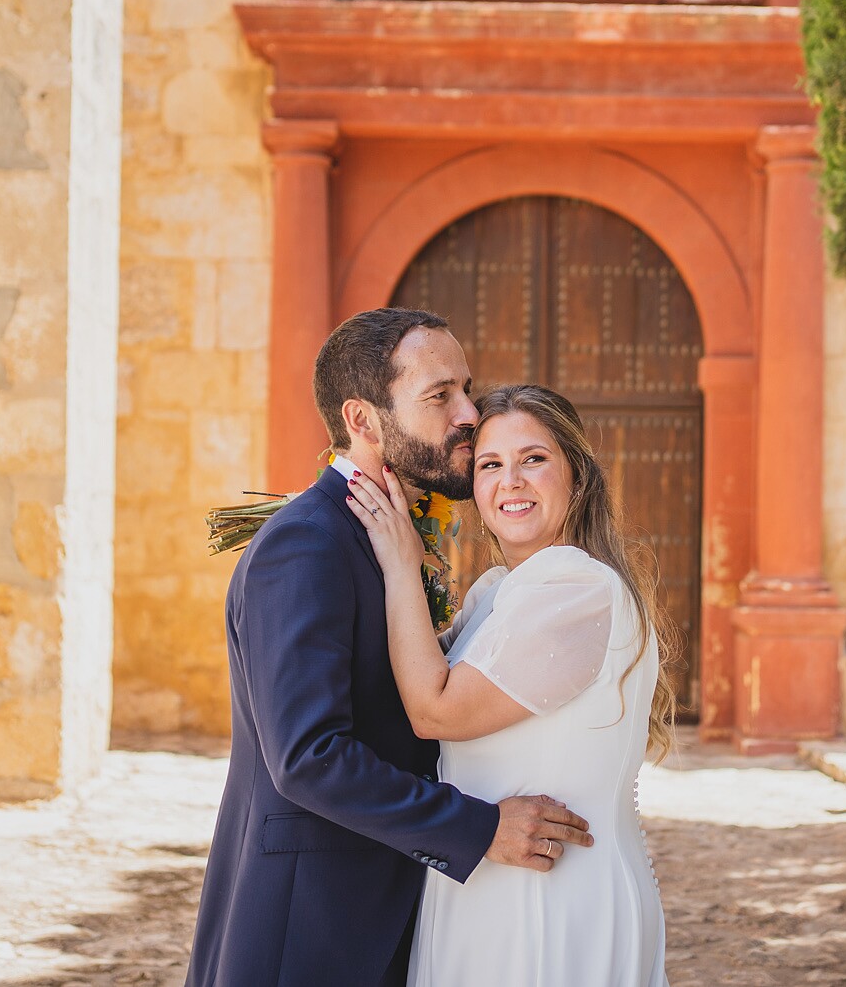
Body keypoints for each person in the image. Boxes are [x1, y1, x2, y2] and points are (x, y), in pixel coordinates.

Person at [184, 310, 595, 987]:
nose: (470, 413)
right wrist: (478, 827)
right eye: (440, 396)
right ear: (364, 419)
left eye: (467, 387)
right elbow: (307, 756)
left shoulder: (395, 537)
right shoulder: (306, 541)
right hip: (308, 932)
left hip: (388, 919)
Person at [345, 383, 675, 987]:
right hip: (487, 880)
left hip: (551, 898)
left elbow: (434, 711)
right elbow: (405, 682)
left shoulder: (575, 585)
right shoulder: (498, 590)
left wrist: (397, 562)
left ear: (576, 472)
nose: (510, 481)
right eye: (491, 465)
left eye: (534, 459)